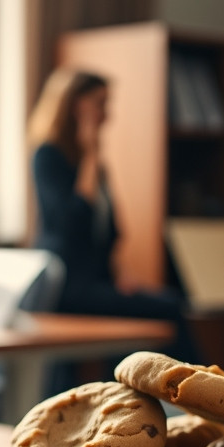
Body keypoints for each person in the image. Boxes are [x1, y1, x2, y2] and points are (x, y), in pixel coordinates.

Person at [29, 68, 198, 362]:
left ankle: (182, 388)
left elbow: (110, 232)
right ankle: (197, 389)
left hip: (99, 281)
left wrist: (121, 275)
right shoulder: (49, 156)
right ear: (75, 105)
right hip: (66, 285)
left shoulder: (97, 168)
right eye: (100, 103)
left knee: (168, 303)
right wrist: (91, 154)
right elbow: (71, 222)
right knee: (166, 308)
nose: (108, 113)